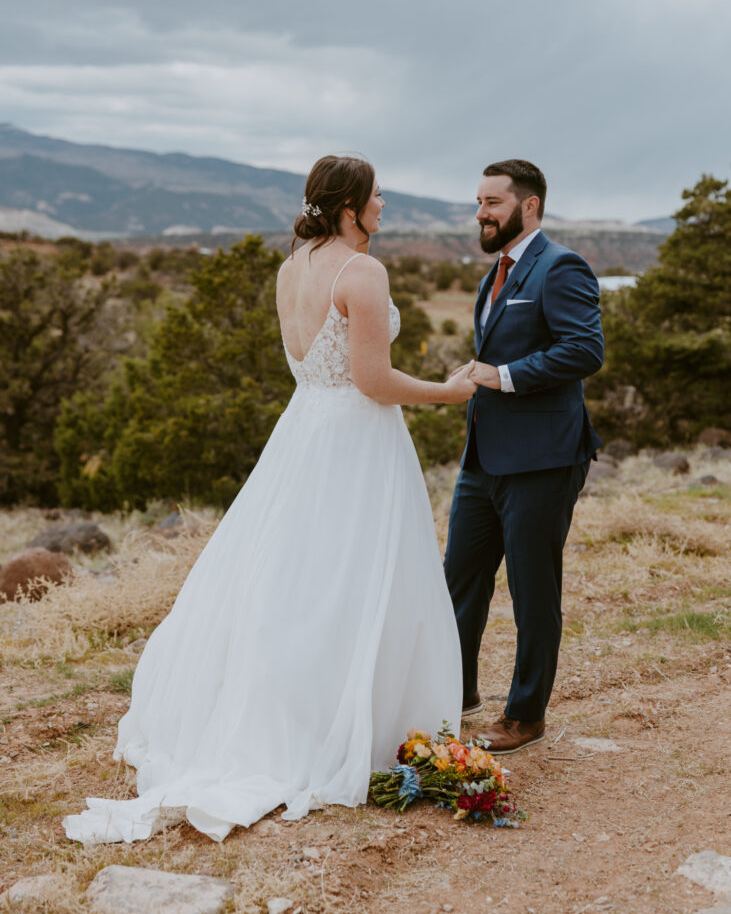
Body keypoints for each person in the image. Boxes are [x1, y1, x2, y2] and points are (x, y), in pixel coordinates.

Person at [63, 155, 475, 844]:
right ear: (349, 208)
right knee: (353, 576)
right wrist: (449, 392)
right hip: (355, 439)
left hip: (305, 429)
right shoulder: (361, 271)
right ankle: (337, 728)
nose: (383, 207)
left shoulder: (291, 268)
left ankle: (301, 708)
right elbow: (372, 379)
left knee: (295, 578)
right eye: (377, 198)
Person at [444, 159, 604, 754]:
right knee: (459, 580)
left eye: (492, 203)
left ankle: (525, 715)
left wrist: (503, 375)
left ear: (528, 206)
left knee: (534, 590)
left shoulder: (559, 266)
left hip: (543, 459)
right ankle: (451, 694)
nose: (480, 214)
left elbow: (585, 350)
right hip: (482, 459)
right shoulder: (496, 274)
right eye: (479, 203)